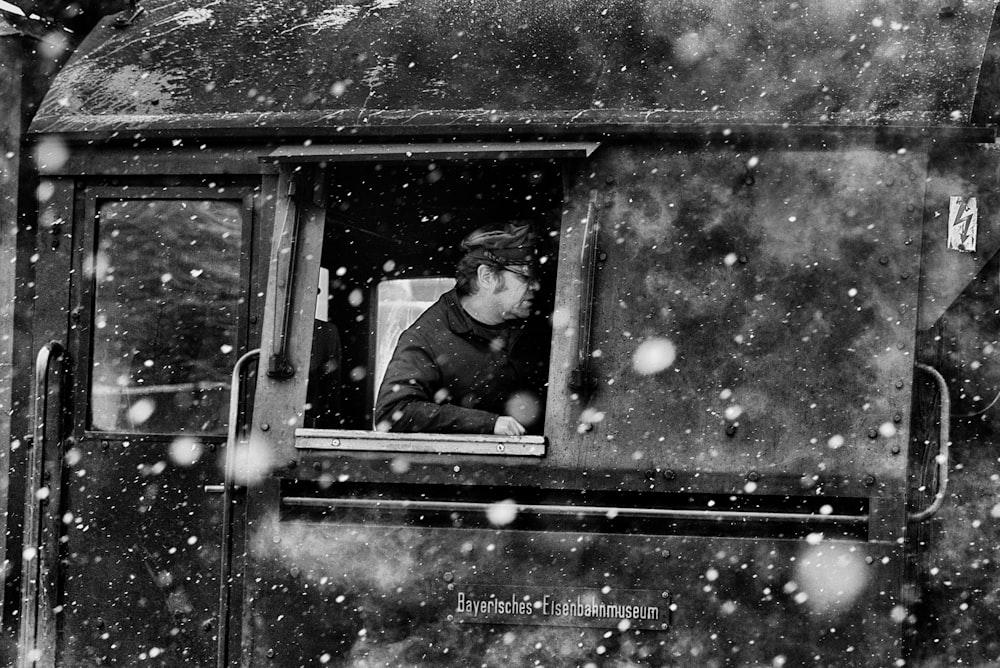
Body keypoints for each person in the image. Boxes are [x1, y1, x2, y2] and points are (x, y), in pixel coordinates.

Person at [374, 222, 549, 435]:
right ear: (487, 277)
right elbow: (394, 412)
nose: (535, 286)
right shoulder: (428, 337)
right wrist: (487, 424)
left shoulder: (537, 323)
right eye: (524, 276)